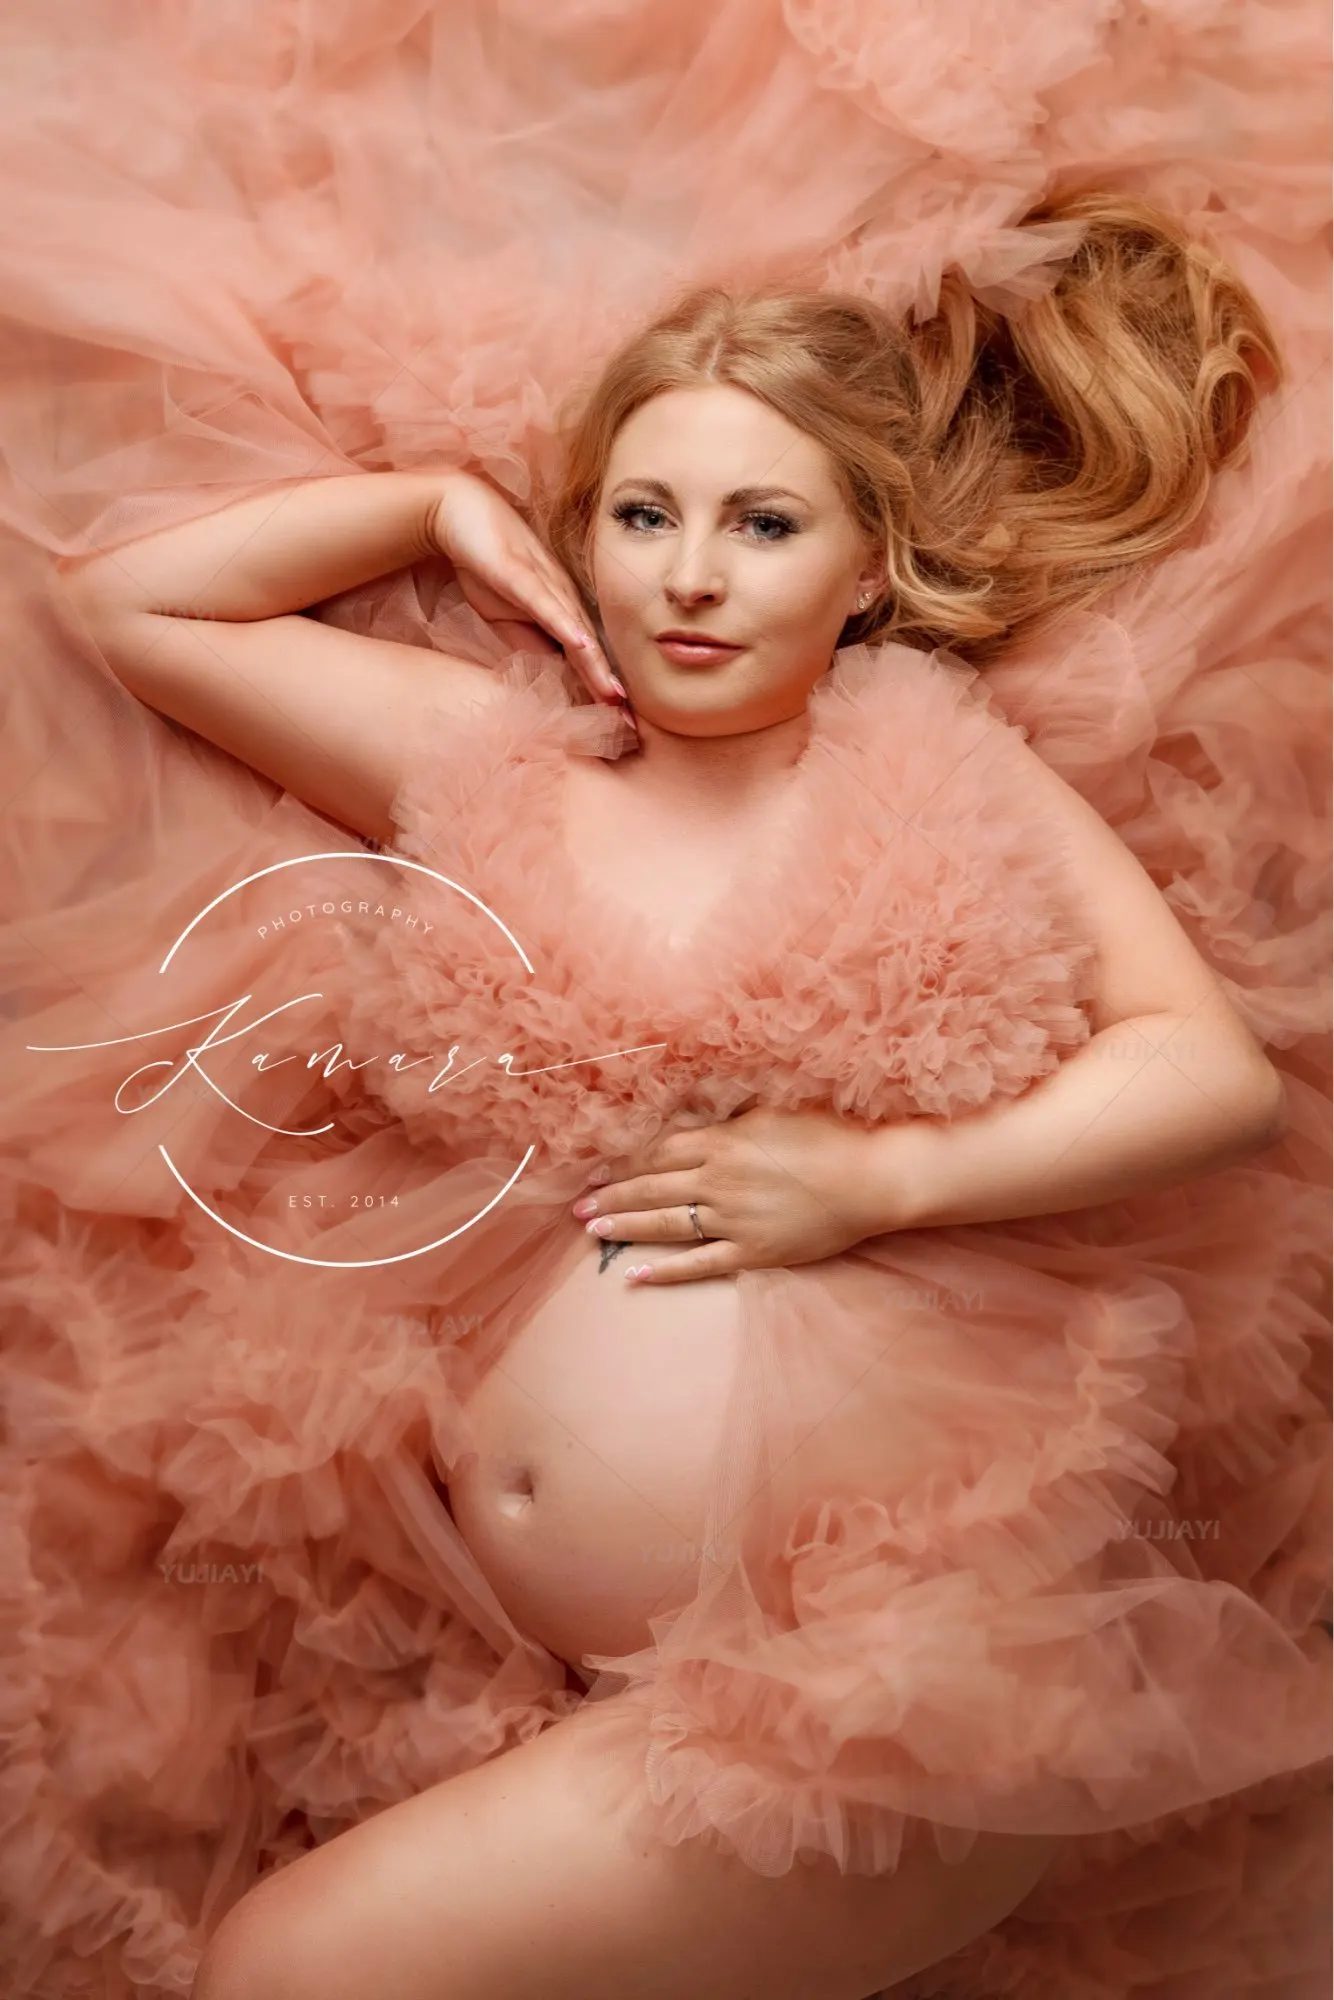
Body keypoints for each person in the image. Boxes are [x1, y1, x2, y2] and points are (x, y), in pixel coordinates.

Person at [0, 7, 1329, 1997]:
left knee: (284, 1969)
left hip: (891, 1693)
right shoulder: (489, 756)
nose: (693, 579)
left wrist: (871, 1186)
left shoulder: (930, 760)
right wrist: (429, 504)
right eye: (646, 515)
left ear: (865, 567)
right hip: (584, 1670)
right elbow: (134, 609)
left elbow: (1205, 1073)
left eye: (762, 524)